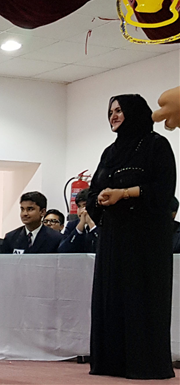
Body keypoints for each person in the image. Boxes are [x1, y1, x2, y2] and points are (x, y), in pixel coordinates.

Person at [86, 94, 175, 379]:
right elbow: (93, 190)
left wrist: (123, 193)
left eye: (119, 110)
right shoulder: (110, 152)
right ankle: (112, 362)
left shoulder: (156, 145)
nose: (113, 116)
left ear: (135, 113)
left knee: (141, 298)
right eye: (110, 111)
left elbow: (164, 190)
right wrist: (99, 198)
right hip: (113, 237)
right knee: (111, 297)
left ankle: (144, 364)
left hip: (145, 239)